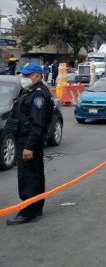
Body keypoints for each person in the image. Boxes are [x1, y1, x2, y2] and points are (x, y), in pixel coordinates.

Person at [6, 63, 54, 225]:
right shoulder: (31, 91)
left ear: (37, 76)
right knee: (33, 175)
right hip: (26, 139)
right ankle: (34, 208)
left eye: (27, 75)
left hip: (28, 141)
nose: (24, 78)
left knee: (29, 177)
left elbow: (37, 124)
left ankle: (28, 212)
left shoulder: (38, 95)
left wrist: (29, 146)